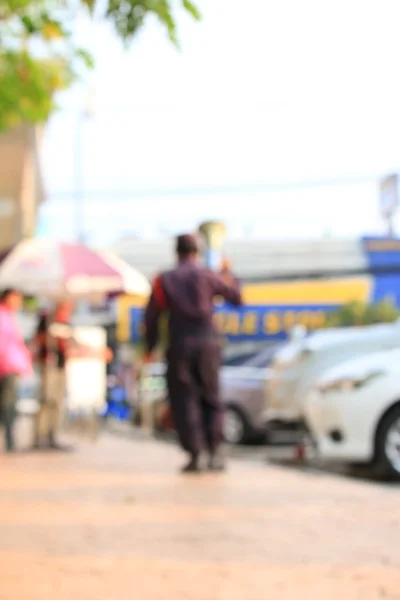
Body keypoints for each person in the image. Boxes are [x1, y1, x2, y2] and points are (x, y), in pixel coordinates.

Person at [143, 234, 242, 473]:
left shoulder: (163, 279)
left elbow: (152, 317)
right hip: (208, 341)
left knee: (184, 398)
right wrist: (230, 274)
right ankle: (215, 452)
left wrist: (150, 347)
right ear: (196, 252)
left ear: (175, 252)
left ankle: (196, 454)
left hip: (180, 344)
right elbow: (236, 298)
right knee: (212, 396)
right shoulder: (209, 275)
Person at [33, 301, 113, 450]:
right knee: (46, 401)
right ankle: (40, 436)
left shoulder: (67, 323)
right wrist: (52, 338)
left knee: (57, 402)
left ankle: (52, 435)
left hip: (61, 367)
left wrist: (97, 352)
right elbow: (38, 340)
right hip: (48, 366)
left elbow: (75, 345)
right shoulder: (47, 319)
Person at [0, 288, 32, 452]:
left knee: (8, 404)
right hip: (6, 367)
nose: (18, 303)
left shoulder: (9, 316)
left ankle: (10, 440)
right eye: (16, 299)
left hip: (9, 366)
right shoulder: (3, 316)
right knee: (8, 404)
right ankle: (10, 441)